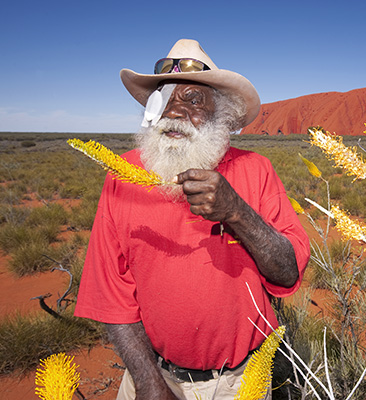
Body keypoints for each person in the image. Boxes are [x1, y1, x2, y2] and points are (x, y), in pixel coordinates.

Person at [74, 39, 310, 400]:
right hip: (152, 375)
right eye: (164, 99)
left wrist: (236, 211)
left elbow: (287, 270)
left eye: (193, 100)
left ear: (223, 115)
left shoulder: (255, 170)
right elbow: (112, 293)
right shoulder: (121, 176)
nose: (174, 112)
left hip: (242, 381)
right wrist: (149, 383)